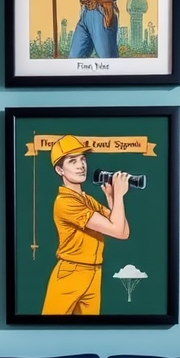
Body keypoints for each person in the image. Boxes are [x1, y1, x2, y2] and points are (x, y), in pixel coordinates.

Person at [41, 133, 130, 316]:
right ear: (60, 171)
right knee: (50, 326)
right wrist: (120, 195)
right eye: (72, 161)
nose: (81, 166)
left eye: (82, 159)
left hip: (94, 273)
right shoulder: (65, 202)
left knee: (89, 330)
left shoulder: (87, 200)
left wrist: (112, 198)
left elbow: (122, 232)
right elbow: (115, 228)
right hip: (71, 273)